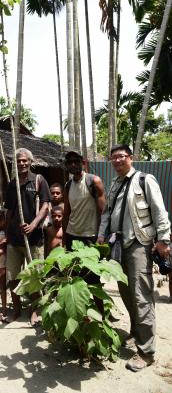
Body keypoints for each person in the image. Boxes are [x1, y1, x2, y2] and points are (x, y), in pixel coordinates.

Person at [97, 144, 171, 372]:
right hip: (118, 245)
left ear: (130, 157)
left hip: (139, 244)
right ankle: (135, 333)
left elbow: (159, 210)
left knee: (141, 296)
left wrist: (164, 240)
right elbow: (108, 212)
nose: (117, 161)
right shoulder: (114, 184)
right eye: (114, 158)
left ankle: (146, 352)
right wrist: (101, 234)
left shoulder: (144, 179)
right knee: (126, 293)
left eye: (121, 157)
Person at [5, 148, 51, 325]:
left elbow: (46, 205)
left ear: (31, 162)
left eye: (25, 161)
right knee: (13, 276)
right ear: (15, 164)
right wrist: (6, 234)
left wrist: (33, 224)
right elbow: (9, 211)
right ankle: (16, 310)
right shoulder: (12, 184)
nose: (22, 163)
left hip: (34, 239)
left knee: (34, 277)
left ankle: (34, 311)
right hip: (14, 240)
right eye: (19, 161)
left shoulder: (39, 180)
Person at [62, 150, 105, 250]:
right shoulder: (68, 186)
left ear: (83, 163)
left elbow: (103, 211)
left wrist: (102, 235)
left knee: (89, 265)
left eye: (76, 161)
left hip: (90, 235)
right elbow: (66, 213)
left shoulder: (94, 181)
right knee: (72, 265)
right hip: (71, 234)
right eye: (69, 162)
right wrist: (64, 237)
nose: (73, 164)